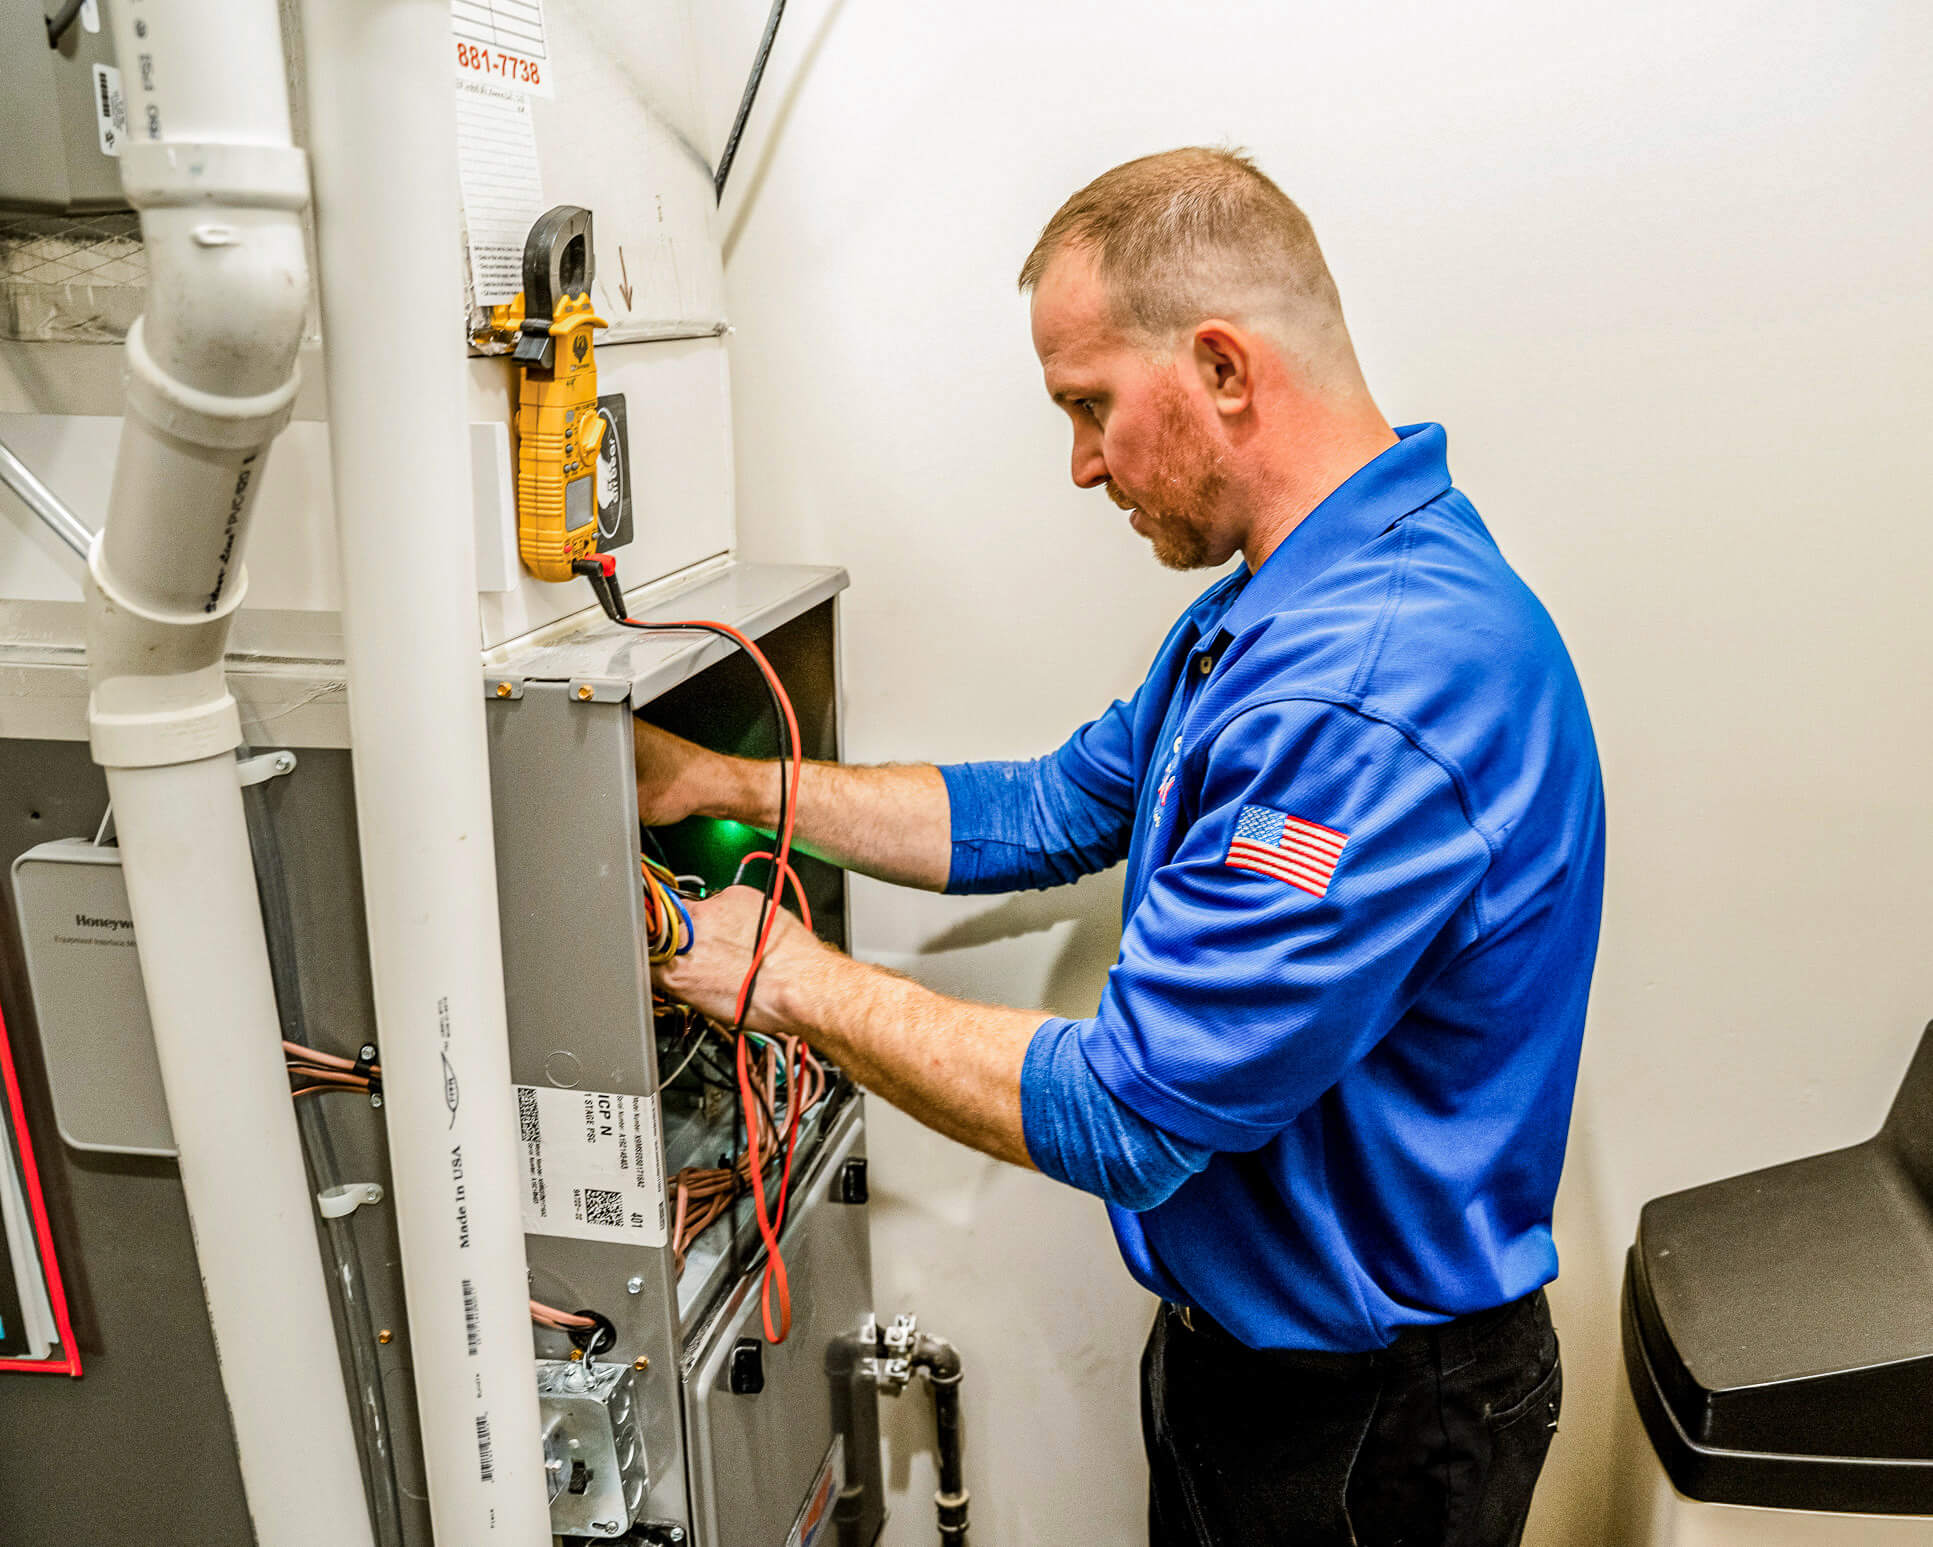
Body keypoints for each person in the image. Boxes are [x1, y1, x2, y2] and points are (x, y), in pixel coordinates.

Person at [637, 147, 1604, 1547]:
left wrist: (789, 979)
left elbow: (1131, 1112)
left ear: (1220, 366)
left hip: (1361, 1429)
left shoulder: (1370, 686)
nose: (1081, 463)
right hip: (1249, 1365)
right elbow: (1042, 808)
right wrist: (711, 781)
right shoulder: (1283, 600)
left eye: (1088, 406)